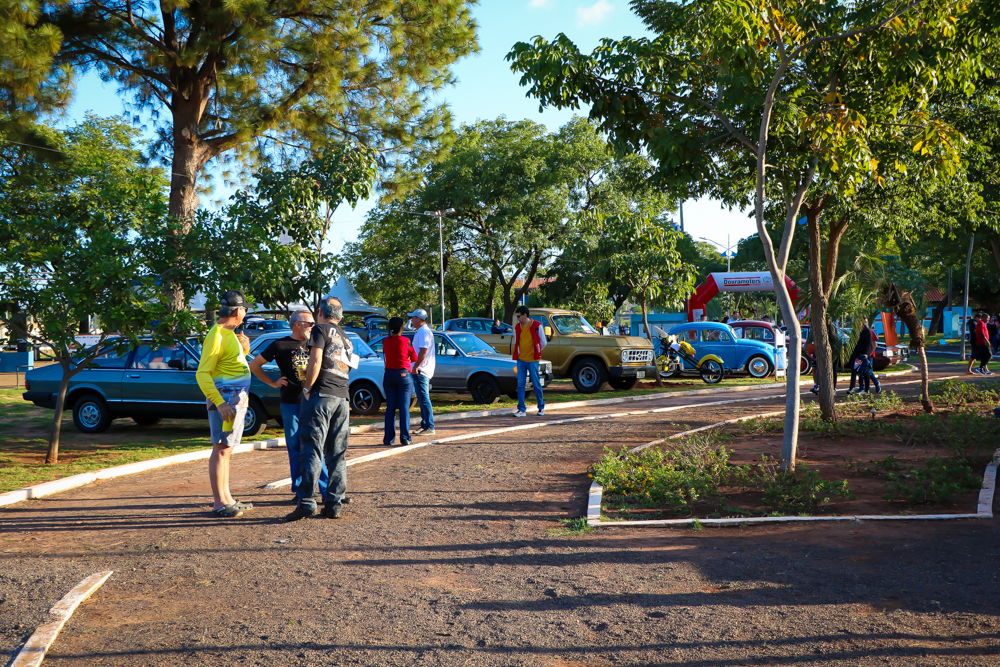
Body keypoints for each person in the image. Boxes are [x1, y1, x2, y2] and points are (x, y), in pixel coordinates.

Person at [249, 310, 327, 504]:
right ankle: (300, 490)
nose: (313, 326)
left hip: (314, 401)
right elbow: (255, 365)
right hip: (291, 402)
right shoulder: (280, 345)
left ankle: (326, 491)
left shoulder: (315, 343)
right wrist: (273, 382)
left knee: (318, 446)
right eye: (309, 323)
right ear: (298, 324)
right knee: (294, 446)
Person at [287, 297, 354, 521]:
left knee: (311, 449)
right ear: (340, 316)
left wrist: (307, 388)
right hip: (342, 397)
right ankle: (334, 504)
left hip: (321, 396)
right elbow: (347, 368)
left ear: (320, 312)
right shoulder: (347, 338)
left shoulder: (320, 330)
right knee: (337, 453)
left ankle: (307, 502)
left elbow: (315, 361)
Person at [196, 290, 253, 518]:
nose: (246, 313)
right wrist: (220, 403)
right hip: (226, 404)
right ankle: (219, 503)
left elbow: (233, 363)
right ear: (238, 311)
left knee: (227, 450)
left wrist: (246, 348)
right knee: (220, 450)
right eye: (245, 309)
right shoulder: (217, 335)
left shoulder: (231, 334)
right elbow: (202, 373)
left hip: (235, 403)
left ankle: (227, 498)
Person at [381, 316, 417, 446]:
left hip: (389, 374)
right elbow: (414, 357)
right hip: (404, 374)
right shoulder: (406, 341)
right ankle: (405, 437)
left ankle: (388, 439)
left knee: (390, 407)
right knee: (404, 407)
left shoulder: (385, 341)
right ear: (402, 328)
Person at [512, 305, 547, 418]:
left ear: (525, 315)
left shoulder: (537, 325)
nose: (517, 318)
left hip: (533, 360)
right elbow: (516, 340)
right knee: (520, 384)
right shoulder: (518, 327)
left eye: (519, 316)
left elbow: (543, 342)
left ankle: (541, 407)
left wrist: (536, 351)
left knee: (536, 383)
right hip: (521, 359)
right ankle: (521, 410)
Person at [408, 308, 437, 436]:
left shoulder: (424, 332)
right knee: (421, 398)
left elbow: (423, 351)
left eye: (413, 317)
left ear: (418, 319)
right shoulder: (421, 331)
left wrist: (415, 367)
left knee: (424, 398)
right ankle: (425, 424)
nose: (411, 320)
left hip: (421, 370)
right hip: (420, 369)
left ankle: (430, 426)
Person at [847, 318, 876, 394]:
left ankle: (866, 389)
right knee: (853, 370)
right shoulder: (855, 331)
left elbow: (868, 343)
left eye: (860, 322)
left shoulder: (867, 331)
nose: (858, 323)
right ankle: (852, 387)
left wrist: (866, 354)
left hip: (863, 354)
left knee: (865, 372)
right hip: (855, 353)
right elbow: (851, 342)